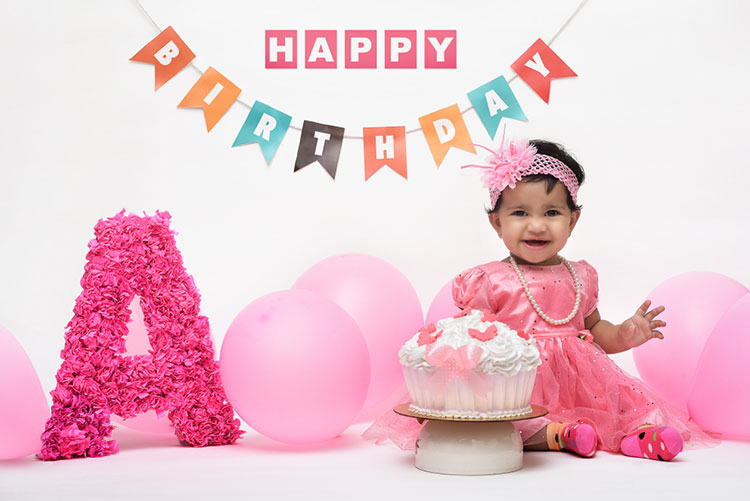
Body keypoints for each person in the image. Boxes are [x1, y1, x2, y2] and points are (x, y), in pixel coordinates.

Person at [364, 138, 714, 460]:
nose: (536, 226)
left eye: (551, 213)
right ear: (496, 223)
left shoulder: (582, 275)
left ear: (572, 221)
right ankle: (559, 436)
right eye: (520, 213)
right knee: (503, 419)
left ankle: (636, 437)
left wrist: (625, 333)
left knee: (627, 406)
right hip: (522, 383)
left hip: (586, 384)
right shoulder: (490, 279)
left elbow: (595, 330)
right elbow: (477, 340)